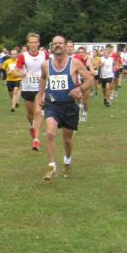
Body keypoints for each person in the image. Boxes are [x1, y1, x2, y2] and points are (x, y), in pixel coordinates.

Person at [37, 35, 93, 180]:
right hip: (52, 105)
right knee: (50, 133)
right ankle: (51, 167)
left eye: (60, 43)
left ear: (65, 46)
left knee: (67, 140)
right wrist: (41, 94)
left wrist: (80, 89)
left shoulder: (75, 63)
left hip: (69, 106)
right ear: (52, 46)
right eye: (55, 43)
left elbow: (90, 79)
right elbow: (43, 78)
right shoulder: (45, 65)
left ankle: (67, 161)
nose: (57, 45)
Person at [16, 32, 48, 151]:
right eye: (31, 42)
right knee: (30, 114)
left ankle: (36, 140)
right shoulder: (23, 56)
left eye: (35, 42)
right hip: (27, 88)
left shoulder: (44, 55)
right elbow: (16, 70)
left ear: (38, 43)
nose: (33, 45)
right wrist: (20, 73)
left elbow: (50, 67)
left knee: (38, 112)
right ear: (28, 44)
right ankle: (31, 125)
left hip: (40, 89)